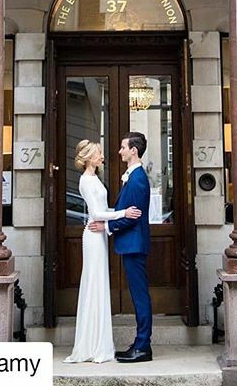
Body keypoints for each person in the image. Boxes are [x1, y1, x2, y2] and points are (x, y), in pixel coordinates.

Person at [64, 140, 142, 363]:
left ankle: (99, 342)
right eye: (99, 153)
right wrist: (123, 213)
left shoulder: (95, 178)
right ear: (89, 158)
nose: (102, 157)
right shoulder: (85, 181)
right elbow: (96, 214)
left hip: (100, 235)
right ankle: (91, 345)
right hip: (93, 235)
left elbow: (102, 209)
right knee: (94, 283)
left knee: (99, 284)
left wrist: (118, 213)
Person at [89, 131, 152, 363]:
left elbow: (133, 216)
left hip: (134, 245)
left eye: (123, 147)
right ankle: (140, 344)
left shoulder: (137, 179)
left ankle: (143, 346)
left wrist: (106, 227)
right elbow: (126, 212)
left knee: (140, 296)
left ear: (133, 151)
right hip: (131, 244)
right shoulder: (132, 176)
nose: (119, 151)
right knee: (138, 295)